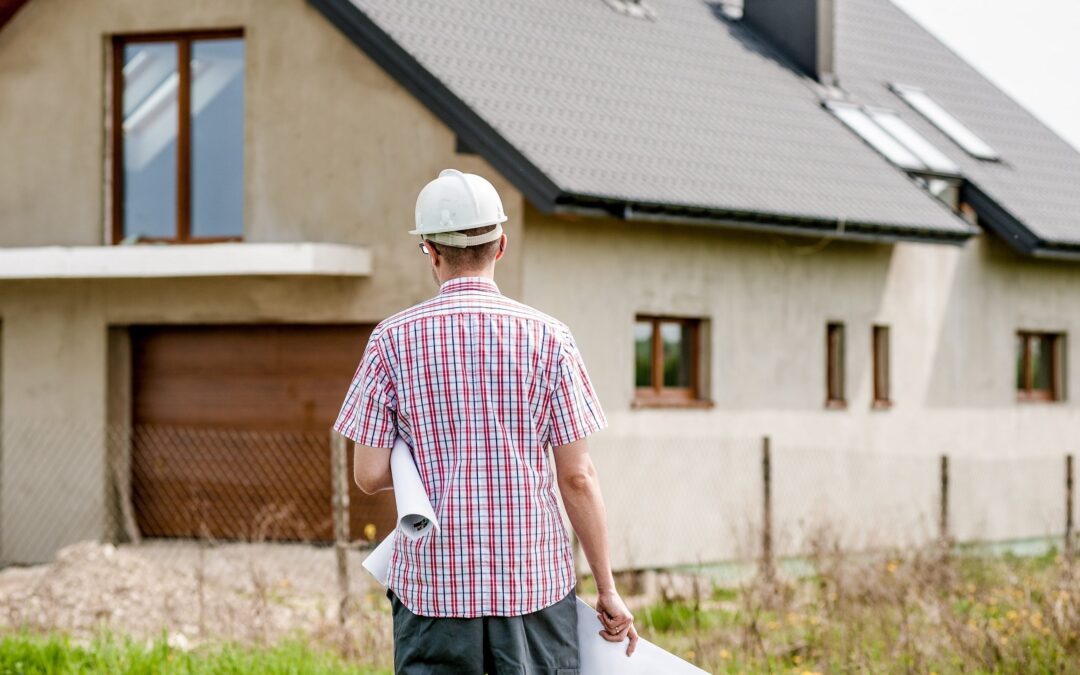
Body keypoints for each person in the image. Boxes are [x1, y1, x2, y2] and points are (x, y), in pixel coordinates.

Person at [333, 169, 637, 674]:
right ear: (501, 245)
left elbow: (367, 474)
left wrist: (425, 457)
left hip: (433, 591)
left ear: (429, 250)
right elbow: (577, 477)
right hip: (534, 588)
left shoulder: (390, 341)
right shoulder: (551, 339)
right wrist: (607, 588)